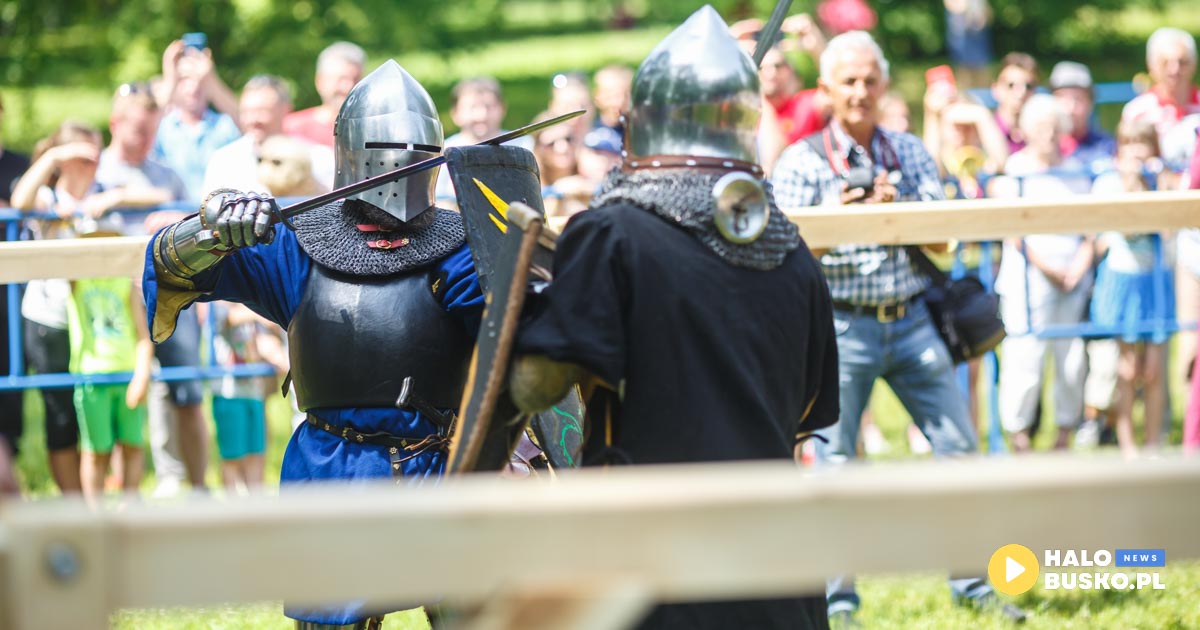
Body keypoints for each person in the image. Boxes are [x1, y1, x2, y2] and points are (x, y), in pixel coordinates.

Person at [510, 8, 837, 629]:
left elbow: (540, 385)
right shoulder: (790, 250)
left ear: (641, 123)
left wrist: (525, 318)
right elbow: (807, 407)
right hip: (776, 559)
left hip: (659, 563)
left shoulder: (612, 235)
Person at [144, 59, 483, 627]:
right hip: (333, 469)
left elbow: (521, 336)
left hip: (440, 468)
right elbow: (169, 265)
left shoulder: (461, 249)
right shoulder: (299, 245)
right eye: (384, 152)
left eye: (412, 153)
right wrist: (214, 228)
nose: (397, 169)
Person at [771, 30, 1026, 625]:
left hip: (912, 322)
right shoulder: (801, 159)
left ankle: (973, 585)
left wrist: (892, 214)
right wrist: (843, 216)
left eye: (869, 80)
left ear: (884, 86)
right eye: (849, 81)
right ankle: (837, 599)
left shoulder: (908, 152)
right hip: (840, 327)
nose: (861, 92)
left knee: (958, 449)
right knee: (834, 468)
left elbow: (942, 238)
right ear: (826, 89)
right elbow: (782, 248)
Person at [96, 85, 209, 497]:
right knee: (112, 399)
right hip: (110, 305)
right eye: (138, 130)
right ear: (114, 124)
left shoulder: (168, 173)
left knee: (187, 391)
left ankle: (197, 488)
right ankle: (116, 497)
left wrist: (173, 215)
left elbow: (198, 227)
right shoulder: (96, 173)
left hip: (169, 295)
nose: (145, 139)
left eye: (151, 130)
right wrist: (122, 198)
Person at [9, 120, 119, 495]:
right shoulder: (46, 198)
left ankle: (102, 498)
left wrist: (112, 200)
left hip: (98, 324)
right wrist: (54, 157)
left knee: (101, 410)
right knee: (60, 414)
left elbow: (153, 191)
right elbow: (21, 200)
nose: (94, 163)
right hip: (50, 320)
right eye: (84, 156)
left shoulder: (105, 194)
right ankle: (76, 505)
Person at [991, 94, 1093, 453]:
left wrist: (1079, 264)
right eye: (1040, 127)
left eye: (1054, 127)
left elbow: (1091, 227)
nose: (1048, 134)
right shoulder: (1015, 169)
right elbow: (1012, 230)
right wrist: (1048, 267)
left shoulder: (1078, 169)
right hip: (1029, 279)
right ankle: (1019, 435)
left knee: (1071, 358)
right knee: (1025, 356)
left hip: (1073, 278)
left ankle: (1064, 434)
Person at [1089, 119, 1174, 458]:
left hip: (1155, 280)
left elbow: (1168, 232)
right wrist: (1130, 184)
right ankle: (1128, 448)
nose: (1137, 151)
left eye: (1144, 143)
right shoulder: (1110, 183)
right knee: (1126, 369)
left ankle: (1152, 445)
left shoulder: (1165, 181)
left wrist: (1152, 186)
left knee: (1152, 372)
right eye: (1129, 143)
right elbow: (1119, 232)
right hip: (1123, 279)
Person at [68, 218, 154, 508]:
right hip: (92, 377)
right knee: (95, 450)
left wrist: (142, 374)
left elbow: (144, 336)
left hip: (127, 375)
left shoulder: (124, 285)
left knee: (131, 445)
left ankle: (129, 507)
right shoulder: (76, 281)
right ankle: (96, 514)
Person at [202, 75, 334, 196]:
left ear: (285, 109)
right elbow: (209, 215)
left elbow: (333, 211)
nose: (253, 120)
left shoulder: (318, 157)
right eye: (246, 111)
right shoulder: (224, 161)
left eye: (262, 111)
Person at [151, 38, 242, 200]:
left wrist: (211, 80)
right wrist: (169, 79)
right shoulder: (162, 126)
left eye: (199, 79)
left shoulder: (224, 125)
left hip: (219, 217)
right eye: (184, 79)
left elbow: (247, 121)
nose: (193, 87)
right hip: (176, 220)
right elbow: (140, 123)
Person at [433, 76, 533, 205]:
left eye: (489, 106)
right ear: (455, 113)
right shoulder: (442, 152)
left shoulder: (524, 146)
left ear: (502, 108)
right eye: (472, 107)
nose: (482, 115)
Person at [284, 42, 365, 148]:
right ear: (320, 81)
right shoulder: (291, 128)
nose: (348, 87)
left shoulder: (371, 130)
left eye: (356, 79)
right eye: (341, 79)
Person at [1049, 61, 1116, 173]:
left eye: (1078, 99)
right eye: (1063, 99)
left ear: (1090, 103)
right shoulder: (1040, 148)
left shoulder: (1106, 147)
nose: (1070, 108)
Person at [990, 52, 1039, 155]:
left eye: (1028, 86)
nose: (1021, 93)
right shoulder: (981, 131)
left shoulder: (1044, 133)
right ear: (995, 89)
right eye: (1011, 85)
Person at [592, 64, 633, 139]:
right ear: (597, 97)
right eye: (612, 96)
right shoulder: (591, 134)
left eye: (626, 95)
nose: (620, 102)